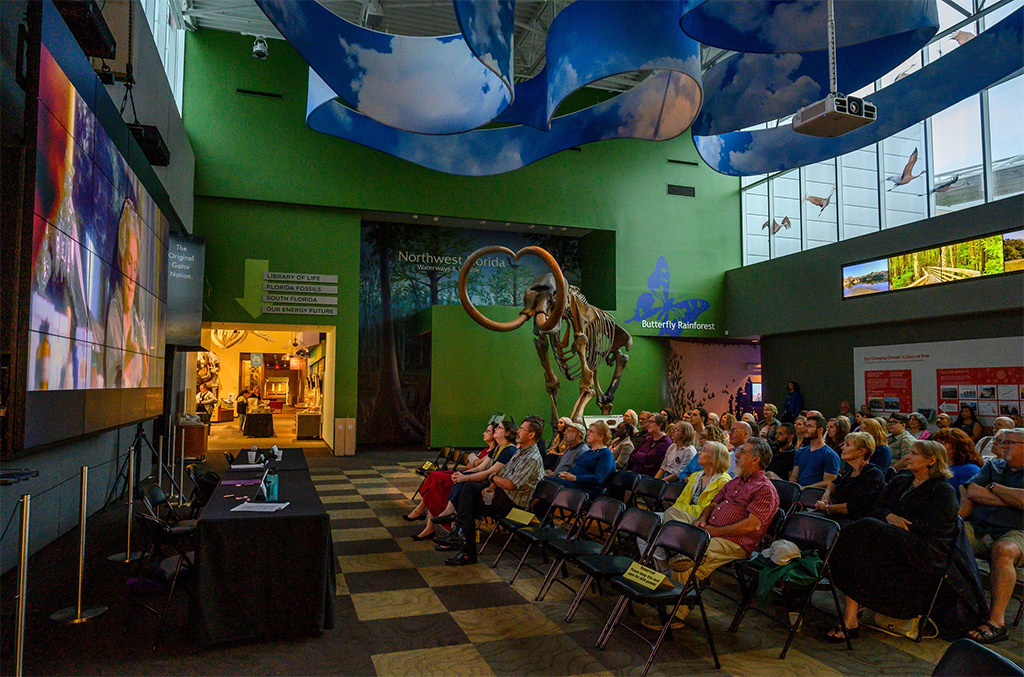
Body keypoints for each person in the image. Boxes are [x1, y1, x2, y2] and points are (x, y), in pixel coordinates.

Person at [828, 440, 959, 642]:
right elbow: (878, 508)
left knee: (865, 528)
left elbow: (937, 528)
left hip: (923, 548)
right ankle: (850, 618)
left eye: (914, 454)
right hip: (890, 539)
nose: (907, 457)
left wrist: (902, 524)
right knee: (859, 550)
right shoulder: (901, 481)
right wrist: (890, 517)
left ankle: (831, 551)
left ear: (931, 461)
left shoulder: (943, 491)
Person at [655, 438, 780, 629]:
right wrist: (704, 519)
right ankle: (673, 569)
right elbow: (713, 503)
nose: (736, 455)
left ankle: (674, 616)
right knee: (672, 524)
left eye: (742, 452)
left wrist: (715, 532)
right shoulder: (736, 481)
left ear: (756, 459)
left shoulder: (764, 489)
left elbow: (752, 525)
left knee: (689, 561)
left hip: (735, 541)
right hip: (709, 531)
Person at [442, 418, 545, 566]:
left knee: (468, 502)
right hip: (504, 497)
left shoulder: (532, 457)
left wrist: (492, 478)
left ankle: (462, 540)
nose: (518, 431)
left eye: (522, 429)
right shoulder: (521, 451)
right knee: (469, 492)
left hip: (516, 508)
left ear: (531, 435)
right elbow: (504, 473)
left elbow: (510, 484)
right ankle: (460, 538)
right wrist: (491, 486)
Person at [961, 428, 1024, 643]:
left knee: (1003, 550)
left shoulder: (993, 476)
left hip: (1018, 532)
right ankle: (954, 608)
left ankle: (996, 622)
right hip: (980, 528)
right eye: (1002, 442)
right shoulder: (993, 465)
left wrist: (994, 487)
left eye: (1009, 442)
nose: (1002, 446)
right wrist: (1011, 498)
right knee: (946, 536)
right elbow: (972, 492)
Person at [407, 421, 513, 540]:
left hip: (489, 486)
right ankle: (443, 521)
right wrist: (462, 474)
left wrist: (466, 474)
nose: (495, 430)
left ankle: (450, 522)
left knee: (449, 484)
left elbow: (487, 472)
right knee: (442, 481)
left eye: (499, 428)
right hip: (481, 478)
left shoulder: (508, 450)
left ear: (507, 433)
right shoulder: (499, 448)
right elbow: (479, 467)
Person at [636, 441, 731, 573]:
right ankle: (661, 567)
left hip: (699, 522)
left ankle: (673, 557)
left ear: (714, 458)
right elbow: (681, 501)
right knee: (643, 525)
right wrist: (680, 511)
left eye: (704, 450)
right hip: (679, 515)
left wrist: (681, 511)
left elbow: (706, 509)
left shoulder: (723, 482)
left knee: (664, 521)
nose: (699, 453)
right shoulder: (696, 476)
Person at [104, 198, 149, 388]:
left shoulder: (138, 322)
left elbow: (144, 380)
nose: (131, 274)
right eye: (129, 263)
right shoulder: (115, 311)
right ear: (121, 262)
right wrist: (129, 362)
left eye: (135, 266)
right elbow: (112, 383)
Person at [814, 432, 886, 525]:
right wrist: (826, 496)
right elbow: (833, 483)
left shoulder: (873, 473)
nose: (842, 448)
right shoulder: (850, 471)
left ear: (861, 451)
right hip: (835, 516)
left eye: (847, 445)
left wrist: (827, 508)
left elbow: (855, 507)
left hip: (853, 522)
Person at [554, 421, 615, 499]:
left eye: (591, 432)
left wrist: (574, 478)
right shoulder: (589, 452)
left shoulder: (606, 454)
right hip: (575, 483)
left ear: (600, 437)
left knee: (550, 483)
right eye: (588, 431)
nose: (588, 434)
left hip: (588, 489)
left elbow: (598, 478)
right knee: (548, 481)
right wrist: (565, 475)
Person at [790, 414, 839, 488]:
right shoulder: (801, 451)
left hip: (814, 494)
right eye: (805, 426)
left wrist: (805, 489)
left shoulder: (829, 455)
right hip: (798, 492)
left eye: (809, 426)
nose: (806, 429)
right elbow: (794, 476)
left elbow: (829, 482)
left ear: (820, 430)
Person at [931, 428, 984, 495]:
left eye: (942, 443)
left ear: (956, 446)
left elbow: (968, 498)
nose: (936, 447)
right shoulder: (936, 466)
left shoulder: (969, 469)